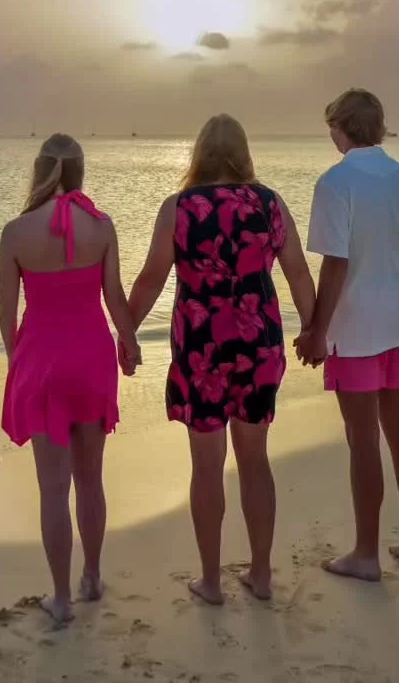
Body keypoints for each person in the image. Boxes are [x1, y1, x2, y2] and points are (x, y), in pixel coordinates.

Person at [125, 114, 315, 605]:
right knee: (255, 460)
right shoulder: (269, 203)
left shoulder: (179, 207)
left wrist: (125, 333)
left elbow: (150, 279)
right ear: (243, 153)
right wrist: (314, 329)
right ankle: (261, 575)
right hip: (258, 343)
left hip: (201, 346)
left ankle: (211, 581)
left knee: (207, 467)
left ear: (199, 154)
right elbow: (297, 273)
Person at [0, 133, 141, 624]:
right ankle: (92, 577)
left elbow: (7, 318)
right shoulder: (101, 226)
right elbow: (114, 297)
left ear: (39, 171)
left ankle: (61, 599)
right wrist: (129, 342)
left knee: (53, 488)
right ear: (80, 171)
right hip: (91, 359)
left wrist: (18, 365)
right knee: (90, 479)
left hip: (42, 364)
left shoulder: (15, 233)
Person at [295, 89, 399, 582]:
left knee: (362, 438)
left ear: (341, 128)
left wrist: (317, 331)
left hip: (357, 326)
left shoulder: (336, 182)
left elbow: (336, 264)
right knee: (398, 430)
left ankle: (366, 555)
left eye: (331, 127)